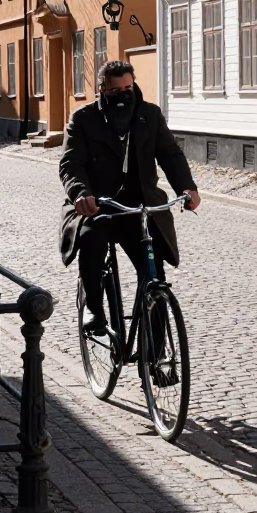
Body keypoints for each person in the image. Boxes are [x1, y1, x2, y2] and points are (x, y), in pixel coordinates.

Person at [59, 60, 200, 334]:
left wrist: (187, 187)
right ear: (103, 90)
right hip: (98, 205)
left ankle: (158, 355)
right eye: (116, 90)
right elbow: (70, 164)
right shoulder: (84, 119)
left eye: (129, 87)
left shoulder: (149, 115)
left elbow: (170, 155)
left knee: (153, 271)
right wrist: (80, 193)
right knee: (91, 241)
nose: (124, 94)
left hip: (140, 206)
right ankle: (94, 308)